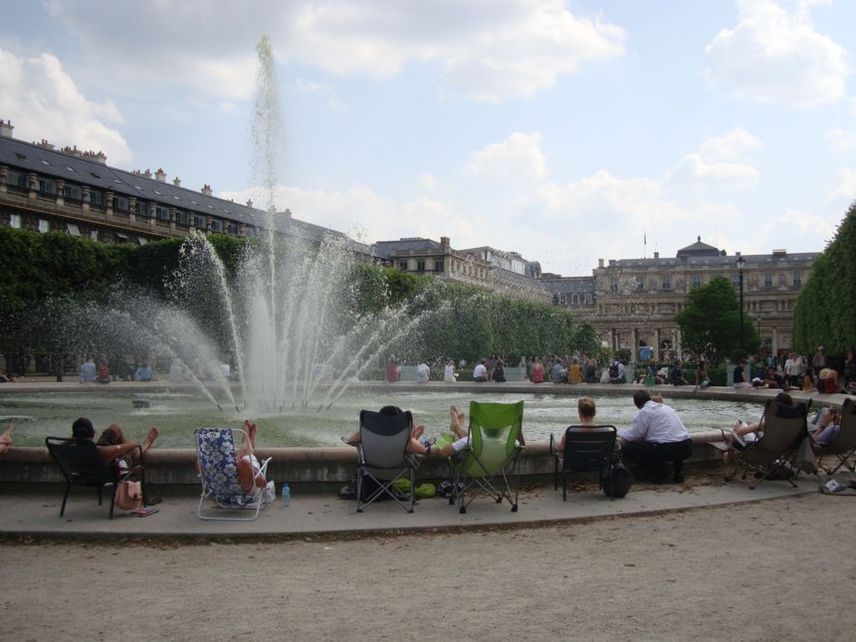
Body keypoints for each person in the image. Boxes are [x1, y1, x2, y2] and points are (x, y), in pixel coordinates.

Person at [618, 389, 693, 483]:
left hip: (667, 448)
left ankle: (660, 472)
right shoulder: (666, 407)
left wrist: (619, 432)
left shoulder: (645, 411)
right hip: (686, 445)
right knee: (672, 440)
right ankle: (677, 472)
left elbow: (634, 435)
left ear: (636, 404)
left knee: (629, 449)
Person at [435, 404, 525, 458]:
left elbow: (444, 452)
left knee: (463, 440)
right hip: (497, 467)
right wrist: (518, 429)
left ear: (484, 427)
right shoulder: (510, 442)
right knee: (465, 437)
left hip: (472, 465)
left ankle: (457, 426)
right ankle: (457, 426)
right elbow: (523, 446)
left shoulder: (474, 439)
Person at [345, 405, 430, 455]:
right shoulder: (404, 441)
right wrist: (413, 437)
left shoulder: (369, 435)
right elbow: (425, 451)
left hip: (372, 471)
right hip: (396, 474)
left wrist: (360, 445)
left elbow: (350, 441)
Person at [72, 417, 158, 465]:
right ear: (93, 433)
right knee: (134, 452)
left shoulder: (65, 449)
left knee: (114, 428)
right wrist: (123, 446)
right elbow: (134, 445)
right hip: (110, 470)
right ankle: (147, 443)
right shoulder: (100, 451)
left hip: (90, 461)